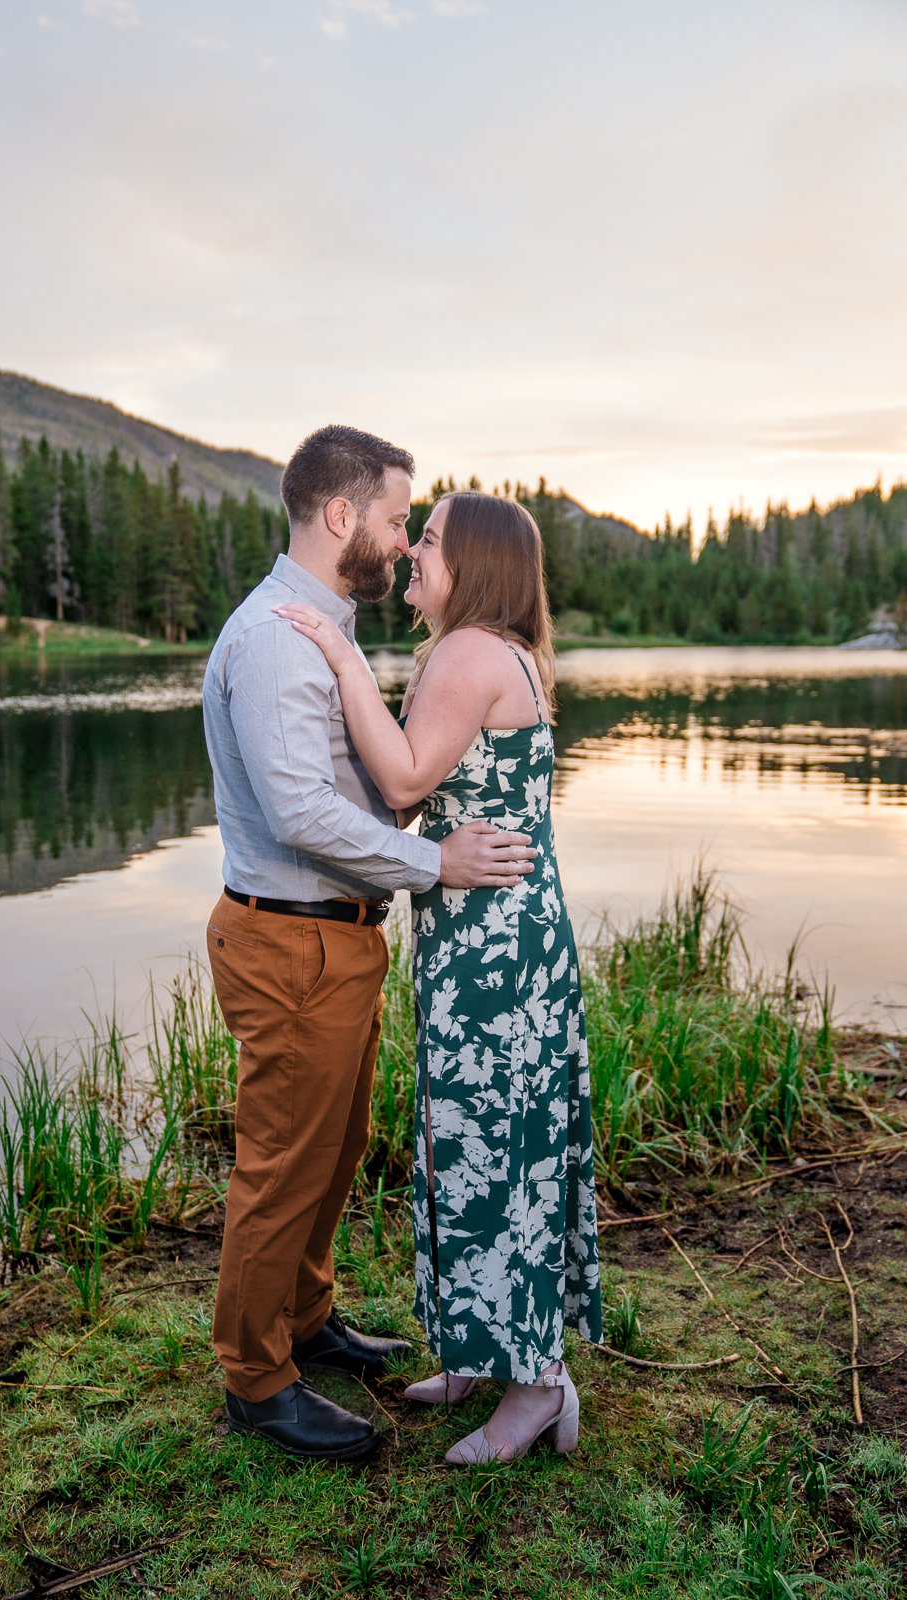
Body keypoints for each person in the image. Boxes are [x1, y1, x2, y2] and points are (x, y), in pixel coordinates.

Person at [202, 427, 537, 1463]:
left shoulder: (321, 634)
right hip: (289, 941)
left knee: (332, 1148)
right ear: (341, 516)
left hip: (336, 939)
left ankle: (305, 1322)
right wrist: (434, 860)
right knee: (282, 1163)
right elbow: (302, 811)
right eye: (397, 520)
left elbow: (370, 782)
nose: (402, 543)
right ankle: (257, 1380)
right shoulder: (271, 641)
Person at [276, 489, 602, 1465]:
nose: (411, 551)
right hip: (497, 933)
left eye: (428, 540)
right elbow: (419, 801)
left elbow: (408, 781)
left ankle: (536, 1388)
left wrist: (339, 661)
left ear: (476, 563)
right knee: (462, 1138)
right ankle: (472, 1348)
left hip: (493, 946)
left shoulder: (466, 653)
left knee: (494, 1145)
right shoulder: (497, 650)